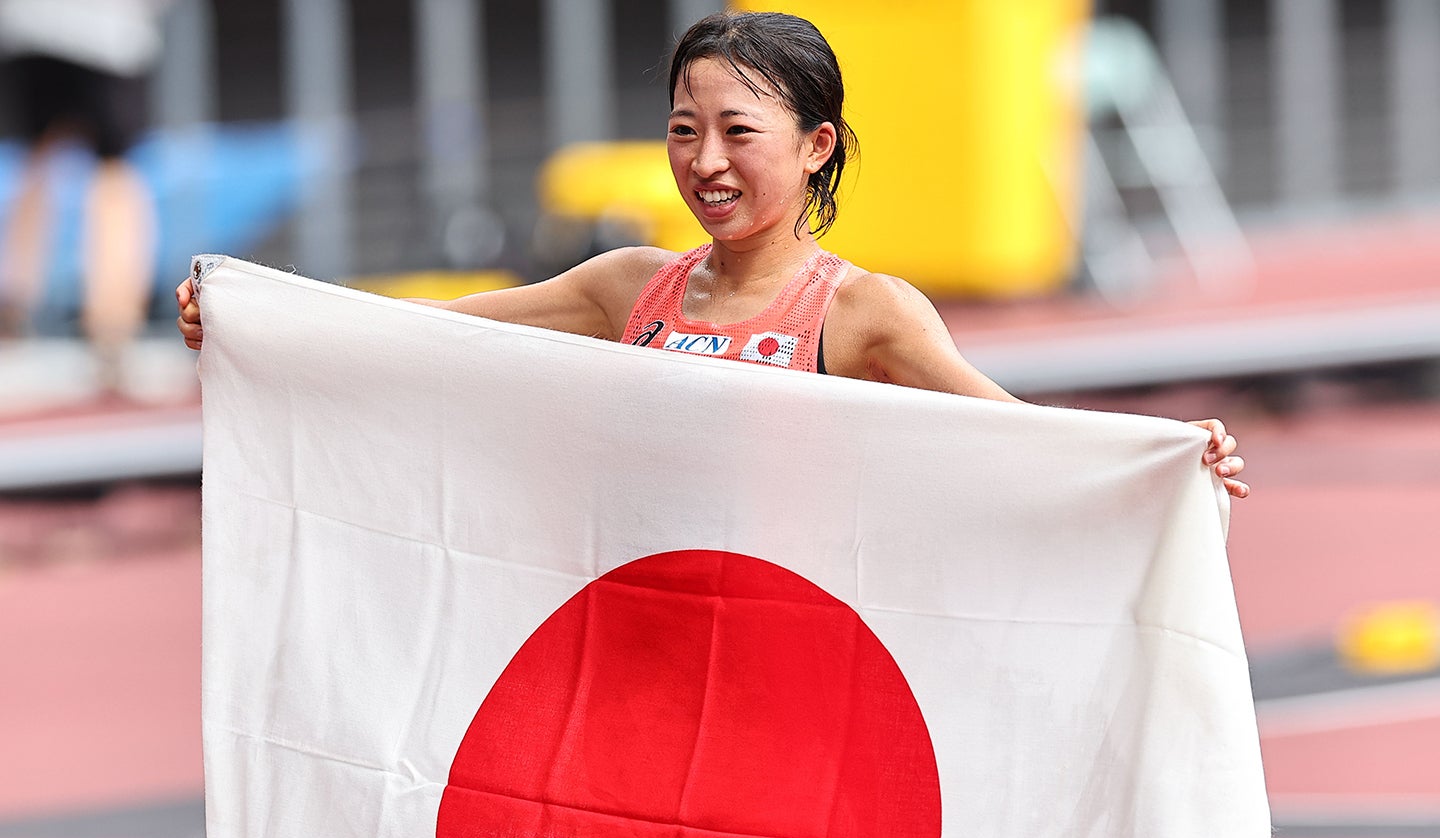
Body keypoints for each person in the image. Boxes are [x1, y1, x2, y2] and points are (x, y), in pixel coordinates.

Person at [177, 10, 1248, 498]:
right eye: (685, 131)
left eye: (740, 133)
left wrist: (1161, 458)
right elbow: (419, 336)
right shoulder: (621, 286)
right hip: (636, 632)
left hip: (794, 654)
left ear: (816, 144)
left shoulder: (868, 313)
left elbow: (1020, 441)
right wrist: (259, 319)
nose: (706, 162)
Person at [1, 0, 169, 391]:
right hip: (107, 33)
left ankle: (11, 316)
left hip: (32, 26)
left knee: (38, 166)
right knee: (114, 174)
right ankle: (113, 333)